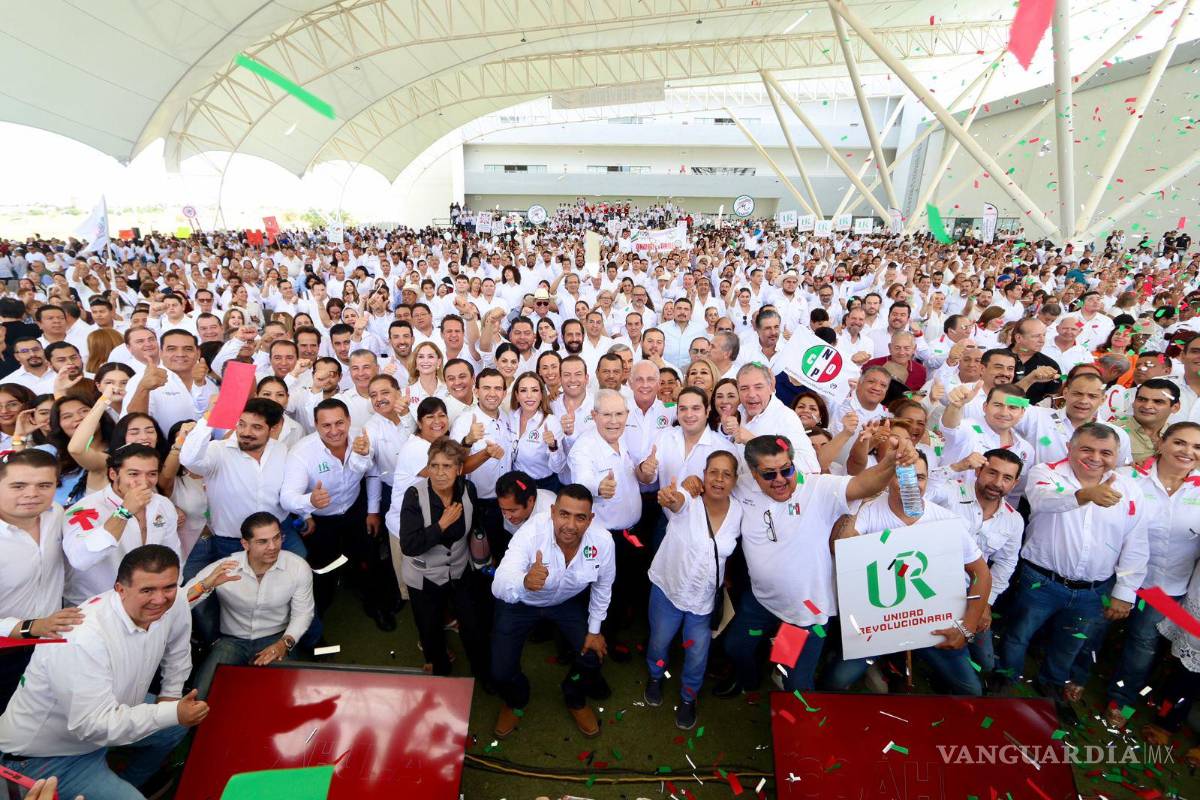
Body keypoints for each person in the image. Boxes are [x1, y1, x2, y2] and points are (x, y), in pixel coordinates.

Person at [711, 434, 918, 697]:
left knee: (796, 681)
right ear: (753, 473)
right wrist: (692, 484)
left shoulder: (818, 488)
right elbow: (715, 485)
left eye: (787, 469)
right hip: (762, 601)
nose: (780, 480)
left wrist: (892, 461)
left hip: (805, 613)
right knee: (735, 647)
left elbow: (862, 485)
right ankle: (748, 680)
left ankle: (790, 691)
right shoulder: (742, 488)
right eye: (769, 474)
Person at [0, 545, 204, 800]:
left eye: (169, 587)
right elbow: (92, 726)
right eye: (147, 590)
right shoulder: (83, 636)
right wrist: (172, 711)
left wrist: (170, 698)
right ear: (120, 589)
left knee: (175, 727)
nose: (160, 599)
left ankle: (130, 782)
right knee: (173, 720)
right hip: (48, 757)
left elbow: (178, 650)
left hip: (110, 719)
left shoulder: (174, 602)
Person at [995, 424, 1149, 703]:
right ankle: (1007, 676)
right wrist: (1084, 495)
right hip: (1040, 581)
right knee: (1018, 634)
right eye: (1087, 449)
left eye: (1106, 452)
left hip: (1093, 591)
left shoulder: (1130, 488)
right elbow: (1042, 501)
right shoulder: (1046, 471)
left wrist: (1125, 592)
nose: (1095, 458)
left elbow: (1136, 543)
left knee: (1070, 644)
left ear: (1117, 455)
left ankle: (1052, 683)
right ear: (1070, 447)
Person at [1096, 422, 1200, 727]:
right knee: (1094, 630)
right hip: (1116, 575)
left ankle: (1121, 701)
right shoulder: (1128, 477)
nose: (1188, 452)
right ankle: (1071, 678)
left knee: (1144, 646)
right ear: (1162, 442)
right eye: (1180, 443)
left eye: (1197, 448)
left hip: (1170, 588)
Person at [490, 484, 614, 738]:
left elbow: (603, 585)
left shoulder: (603, 541)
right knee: (501, 671)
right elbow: (498, 584)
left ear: (590, 520)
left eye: (580, 517)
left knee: (591, 655)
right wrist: (524, 581)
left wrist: (594, 630)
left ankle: (574, 696)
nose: (570, 525)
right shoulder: (530, 533)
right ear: (552, 512)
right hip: (521, 603)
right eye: (564, 514)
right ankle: (516, 699)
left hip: (565, 604)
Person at [645, 450, 741, 729]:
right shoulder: (689, 501)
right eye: (713, 472)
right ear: (704, 475)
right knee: (660, 641)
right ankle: (655, 676)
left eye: (726, 474)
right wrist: (670, 497)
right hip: (668, 590)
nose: (719, 479)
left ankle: (688, 698)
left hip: (703, 602)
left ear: (735, 480)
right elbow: (676, 502)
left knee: (698, 655)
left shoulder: (740, 513)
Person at [185, 513, 314, 698]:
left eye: (276, 538)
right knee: (201, 694)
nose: (273, 547)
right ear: (245, 544)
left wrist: (284, 644)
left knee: (285, 695)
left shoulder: (298, 567)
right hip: (231, 641)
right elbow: (179, 603)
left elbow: (303, 613)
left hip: (276, 638)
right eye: (262, 542)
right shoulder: (225, 566)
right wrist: (206, 584)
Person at [398, 438, 490, 679]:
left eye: (447, 466)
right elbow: (409, 545)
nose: (439, 473)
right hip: (424, 576)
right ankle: (440, 671)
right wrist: (440, 526)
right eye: (434, 465)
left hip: (459, 570)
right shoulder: (414, 495)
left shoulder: (468, 490)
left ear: (459, 469)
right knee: (429, 630)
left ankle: (482, 673)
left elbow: (473, 527)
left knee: (473, 626)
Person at [927, 449, 1024, 674]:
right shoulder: (951, 492)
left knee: (986, 663)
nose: (997, 483)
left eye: (1007, 478)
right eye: (992, 473)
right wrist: (957, 466)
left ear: (1015, 483)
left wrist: (986, 603)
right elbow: (919, 493)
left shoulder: (1013, 520)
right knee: (958, 667)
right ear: (979, 470)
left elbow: (1006, 563)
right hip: (928, 586)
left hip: (974, 591)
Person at [280, 398, 374, 620]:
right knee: (322, 567)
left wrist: (362, 455)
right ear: (315, 425)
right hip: (322, 521)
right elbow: (287, 499)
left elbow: (368, 471)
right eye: (326, 425)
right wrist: (309, 503)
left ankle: (372, 603)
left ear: (349, 420)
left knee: (364, 557)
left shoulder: (362, 437)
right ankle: (320, 611)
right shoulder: (301, 453)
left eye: (339, 423)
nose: (334, 431)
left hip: (354, 509)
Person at [0, 450, 79, 711]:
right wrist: (32, 627)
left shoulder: (54, 513)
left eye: (44, 485)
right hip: (6, 653)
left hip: (50, 644)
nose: (32, 493)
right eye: (18, 486)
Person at [62, 444, 181, 606]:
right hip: (92, 606)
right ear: (113, 474)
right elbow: (80, 559)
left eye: (152, 474)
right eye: (133, 474)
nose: (144, 482)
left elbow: (172, 556)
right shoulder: (85, 508)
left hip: (148, 604)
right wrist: (124, 511)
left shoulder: (163, 504)